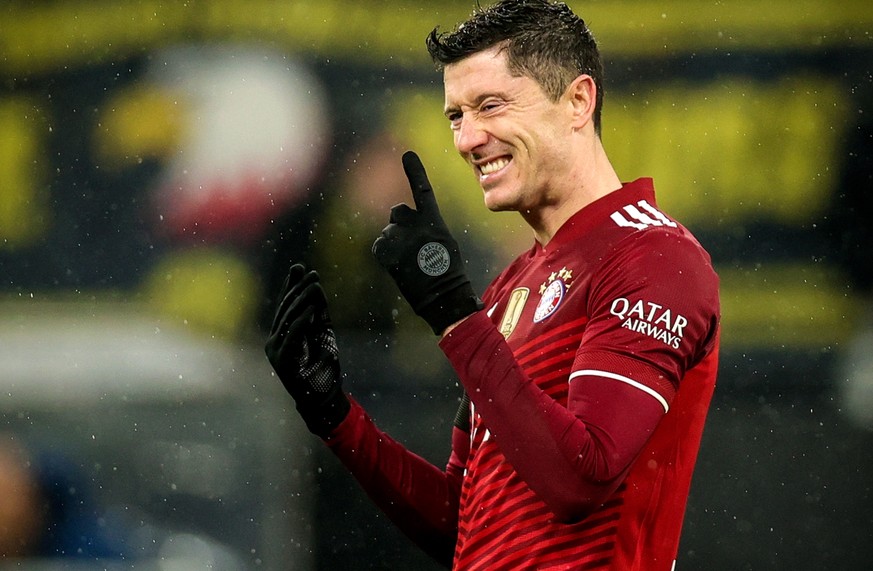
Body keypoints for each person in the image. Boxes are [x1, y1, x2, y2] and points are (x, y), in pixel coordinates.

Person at [265, 0, 721, 569]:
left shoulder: (655, 257)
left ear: (578, 100)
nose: (468, 139)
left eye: (491, 105)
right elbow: (464, 522)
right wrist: (338, 419)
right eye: (456, 116)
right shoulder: (511, 286)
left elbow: (582, 478)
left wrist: (455, 315)